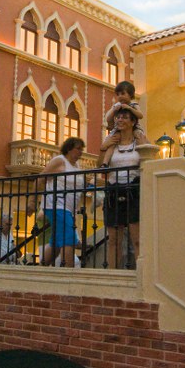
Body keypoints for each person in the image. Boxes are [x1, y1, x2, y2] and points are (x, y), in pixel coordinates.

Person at [99, 107, 151, 269]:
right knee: (114, 240)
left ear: (133, 122)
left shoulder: (139, 140)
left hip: (134, 191)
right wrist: (103, 147)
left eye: (124, 117)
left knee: (137, 238)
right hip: (114, 191)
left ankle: (141, 276)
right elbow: (100, 166)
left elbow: (149, 157)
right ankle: (113, 275)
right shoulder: (111, 142)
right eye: (118, 117)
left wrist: (141, 139)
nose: (119, 120)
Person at [27, 137, 87, 267]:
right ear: (69, 149)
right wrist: (32, 201)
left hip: (67, 209)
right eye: (78, 149)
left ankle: (40, 270)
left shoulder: (76, 166)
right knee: (68, 238)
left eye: (82, 149)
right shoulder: (60, 161)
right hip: (56, 205)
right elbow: (40, 179)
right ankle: (68, 274)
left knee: (56, 242)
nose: (81, 152)